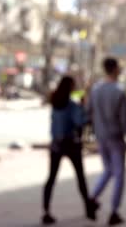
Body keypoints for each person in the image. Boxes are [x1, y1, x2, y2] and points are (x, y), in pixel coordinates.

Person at [88, 58, 126, 226]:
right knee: (119, 175)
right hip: (116, 137)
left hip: (101, 136)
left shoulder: (96, 90)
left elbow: (88, 111)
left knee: (108, 170)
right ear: (115, 69)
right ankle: (114, 211)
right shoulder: (119, 91)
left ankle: (93, 197)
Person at [42, 76, 98, 225]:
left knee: (51, 178)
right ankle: (88, 207)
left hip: (56, 144)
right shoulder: (71, 106)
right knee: (80, 177)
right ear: (70, 87)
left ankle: (46, 211)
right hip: (71, 144)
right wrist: (86, 111)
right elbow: (80, 121)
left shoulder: (55, 103)